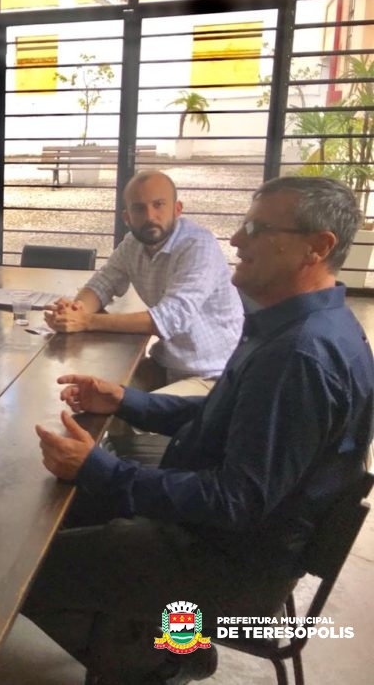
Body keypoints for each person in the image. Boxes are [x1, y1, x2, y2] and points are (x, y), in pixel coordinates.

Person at [22, 176, 374, 684]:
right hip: (224, 532)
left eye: (257, 229)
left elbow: (234, 501)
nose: (237, 239)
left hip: (229, 564)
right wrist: (125, 400)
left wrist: (103, 470)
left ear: (316, 248)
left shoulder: (300, 356)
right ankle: (153, 633)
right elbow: (222, 417)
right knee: (52, 509)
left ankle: (162, 657)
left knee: (20, 570)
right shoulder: (302, 327)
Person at [44, 170, 242, 392]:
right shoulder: (133, 244)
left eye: (158, 205)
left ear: (177, 209)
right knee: (89, 393)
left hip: (213, 375)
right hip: (166, 365)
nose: (150, 216)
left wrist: (86, 321)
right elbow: (102, 283)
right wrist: (74, 310)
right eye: (139, 208)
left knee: (117, 405)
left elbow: (170, 318)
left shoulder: (198, 245)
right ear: (127, 217)